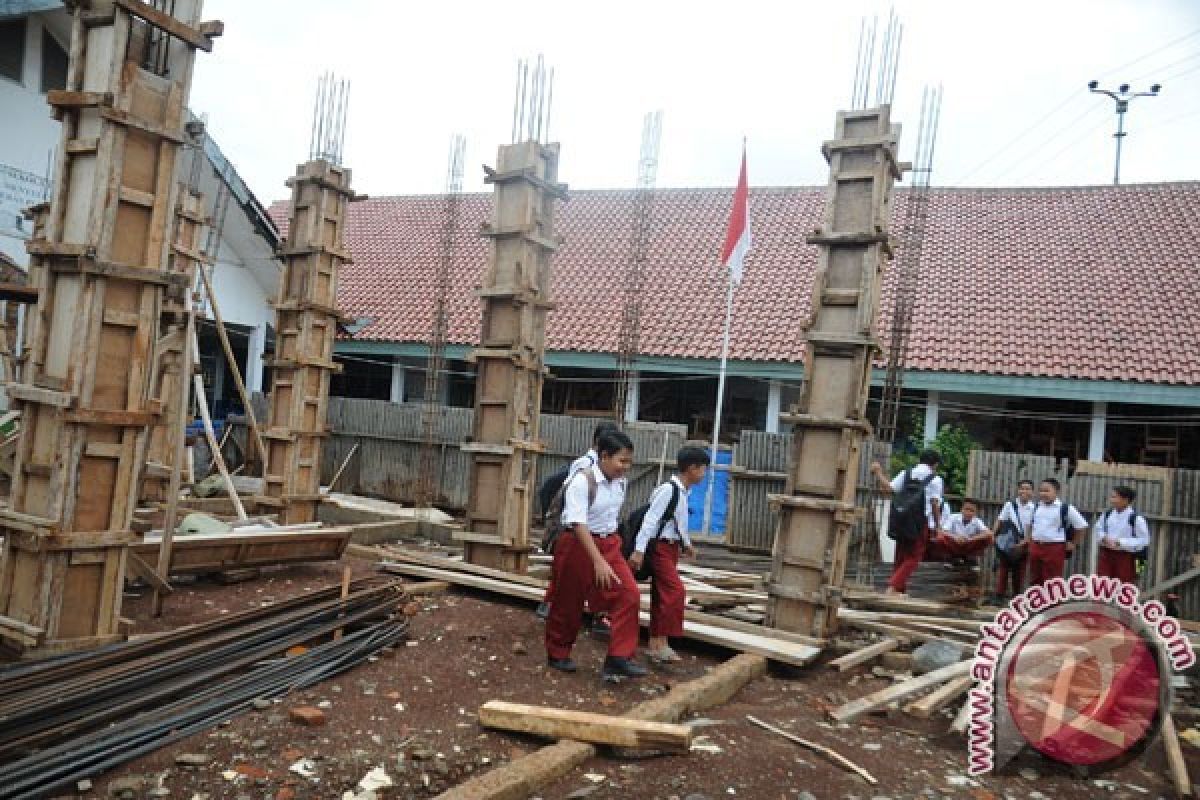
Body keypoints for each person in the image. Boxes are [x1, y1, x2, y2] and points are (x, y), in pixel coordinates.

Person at [544, 429, 646, 681]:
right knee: (568, 602)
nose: (625, 467)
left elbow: (611, 519)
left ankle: (619, 657)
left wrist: (612, 552)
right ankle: (558, 652)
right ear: (604, 456)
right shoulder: (582, 481)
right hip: (577, 544)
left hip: (608, 543)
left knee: (629, 595)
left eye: (629, 461)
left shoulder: (619, 483)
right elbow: (578, 523)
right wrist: (597, 561)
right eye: (621, 460)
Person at [628, 446, 710, 664]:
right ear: (692, 469)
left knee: (661, 594)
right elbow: (650, 520)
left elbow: (678, 523)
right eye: (703, 470)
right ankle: (661, 642)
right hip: (660, 548)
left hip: (671, 547)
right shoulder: (669, 490)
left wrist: (687, 544)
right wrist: (639, 550)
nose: (704, 474)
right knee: (675, 593)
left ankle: (656, 644)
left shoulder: (682, 492)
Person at [537, 422, 620, 622]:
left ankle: (596, 614)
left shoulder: (615, 472)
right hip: (577, 527)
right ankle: (553, 606)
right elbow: (567, 495)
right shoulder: (584, 465)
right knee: (567, 573)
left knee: (595, 574)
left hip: (599, 530)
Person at [870, 449, 944, 596]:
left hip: (901, 518)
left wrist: (878, 472)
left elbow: (889, 488)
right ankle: (892, 587)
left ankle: (898, 590)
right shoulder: (935, 479)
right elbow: (935, 503)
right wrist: (938, 526)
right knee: (914, 557)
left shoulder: (907, 473)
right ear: (935, 464)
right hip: (919, 522)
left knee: (901, 555)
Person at [1027, 478, 1088, 587]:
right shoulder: (1036, 507)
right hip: (1036, 547)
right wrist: (1030, 541)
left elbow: (1081, 526)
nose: (1043, 494)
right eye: (1041, 491)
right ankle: (1035, 603)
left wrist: (1073, 543)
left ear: (1056, 491)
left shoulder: (1065, 508)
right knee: (1035, 578)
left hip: (1054, 548)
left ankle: (1053, 604)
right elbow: (1031, 524)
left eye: (1047, 491)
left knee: (1052, 580)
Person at [1096, 485, 1150, 585]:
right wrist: (1103, 537)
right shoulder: (1107, 514)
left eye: (1114, 497)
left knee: (1124, 586)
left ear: (1125, 500)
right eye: (1112, 497)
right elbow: (1098, 529)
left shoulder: (1136, 518)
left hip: (1126, 556)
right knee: (1102, 584)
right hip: (1106, 554)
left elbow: (1144, 540)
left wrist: (1120, 542)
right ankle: (1100, 601)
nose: (1111, 500)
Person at [991, 480, 1036, 600]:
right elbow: (1000, 520)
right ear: (1018, 490)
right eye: (1022, 488)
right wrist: (993, 534)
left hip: (1025, 542)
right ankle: (999, 596)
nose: (1024, 491)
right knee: (1003, 568)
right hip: (1009, 542)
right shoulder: (1010, 505)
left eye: (1028, 489)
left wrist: (1026, 540)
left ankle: (1016, 597)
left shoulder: (1035, 508)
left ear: (1032, 492)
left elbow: (1035, 526)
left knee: (1020, 570)